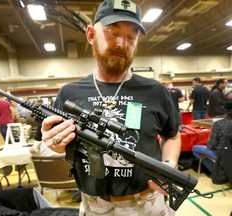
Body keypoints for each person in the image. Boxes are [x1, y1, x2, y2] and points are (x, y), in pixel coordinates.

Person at [39, 0, 181, 215]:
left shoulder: (156, 91)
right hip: (94, 205)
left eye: (131, 37)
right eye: (112, 33)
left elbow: (172, 135)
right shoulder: (69, 93)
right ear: (90, 34)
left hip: (148, 204)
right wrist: (55, 145)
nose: (122, 43)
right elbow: (58, 144)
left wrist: (168, 166)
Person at [192, 100, 232, 174]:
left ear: (224, 111)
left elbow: (211, 145)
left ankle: (215, 171)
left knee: (195, 148)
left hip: (221, 153)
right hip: (227, 152)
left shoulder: (218, 124)